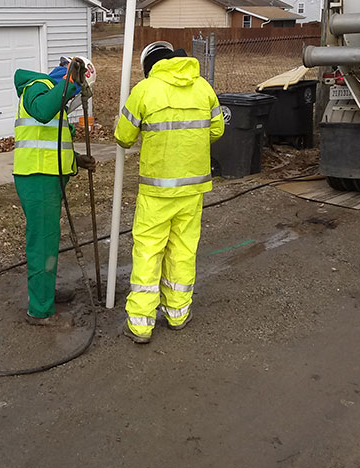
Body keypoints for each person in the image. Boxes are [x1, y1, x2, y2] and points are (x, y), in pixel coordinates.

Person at [114, 41, 224, 343]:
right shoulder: (204, 88)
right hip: (193, 189)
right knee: (183, 251)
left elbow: (123, 137)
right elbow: (217, 130)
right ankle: (178, 313)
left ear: (149, 66)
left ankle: (140, 324)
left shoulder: (145, 90)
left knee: (149, 251)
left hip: (157, 191)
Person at [13, 56, 96, 326]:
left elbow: (55, 143)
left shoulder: (54, 96)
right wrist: (71, 82)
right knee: (43, 243)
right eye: (73, 93)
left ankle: (45, 293)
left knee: (48, 241)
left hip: (48, 178)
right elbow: (41, 110)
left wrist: (77, 160)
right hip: (37, 179)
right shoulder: (36, 87)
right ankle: (39, 311)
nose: (73, 100)